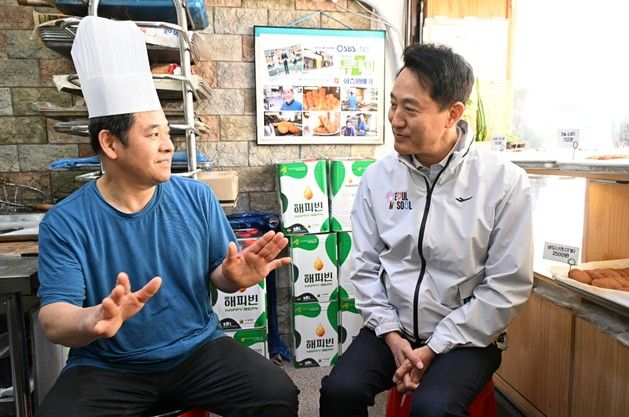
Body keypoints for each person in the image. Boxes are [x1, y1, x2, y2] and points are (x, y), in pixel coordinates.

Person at [35, 17, 298, 417]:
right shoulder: (66, 222)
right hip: (109, 365)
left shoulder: (196, 197)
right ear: (110, 143)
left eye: (167, 133)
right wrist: (94, 319)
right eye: (153, 134)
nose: (168, 146)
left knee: (277, 394)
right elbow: (54, 318)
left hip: (197, 351)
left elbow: (220, 273)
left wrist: (234, 277)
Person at [319, 43, 533, 417]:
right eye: (393, 104)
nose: (395, 119)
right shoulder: (377, 179)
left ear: (453, 114)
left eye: (410, 108)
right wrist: (390, 334)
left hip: (467, 336)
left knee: (433, 408)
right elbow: (365, 268)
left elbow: (506, 287)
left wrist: (435, 346)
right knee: (339, 391)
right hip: (393, 328)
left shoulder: (503, 182)